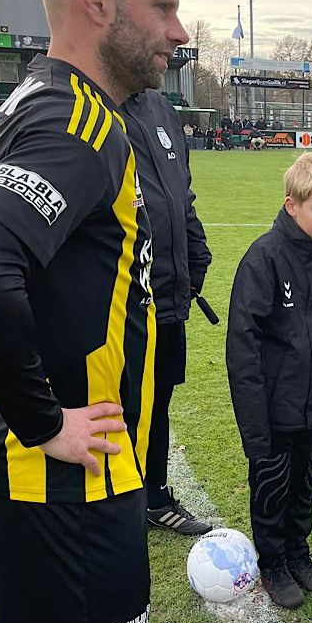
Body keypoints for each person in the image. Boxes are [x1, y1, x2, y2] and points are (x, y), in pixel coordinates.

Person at [0, 0, 188, 623]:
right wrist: (44, 422)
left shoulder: (39, 96)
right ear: (97, 0)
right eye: (163, 8)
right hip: (73, 467)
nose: (178, 31)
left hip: (41, 464)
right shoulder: (79, 122)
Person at [226, 152, 312, 609]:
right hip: (275, 408)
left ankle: (299, 554)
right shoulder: (264, 258)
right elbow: (243, 347)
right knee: (272, 489)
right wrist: (255, 425)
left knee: (306, 486)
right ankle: (272, 563)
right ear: (292, 205)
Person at [122, 89, 213, 536]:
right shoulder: (90, 107)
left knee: (158, 398)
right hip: (120, 302)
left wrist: (196, 258)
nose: (166, 57)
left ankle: (154, 496)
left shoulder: (161, 109)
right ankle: (115, 502)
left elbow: (181, 198)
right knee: (116, 404)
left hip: (168, 296)